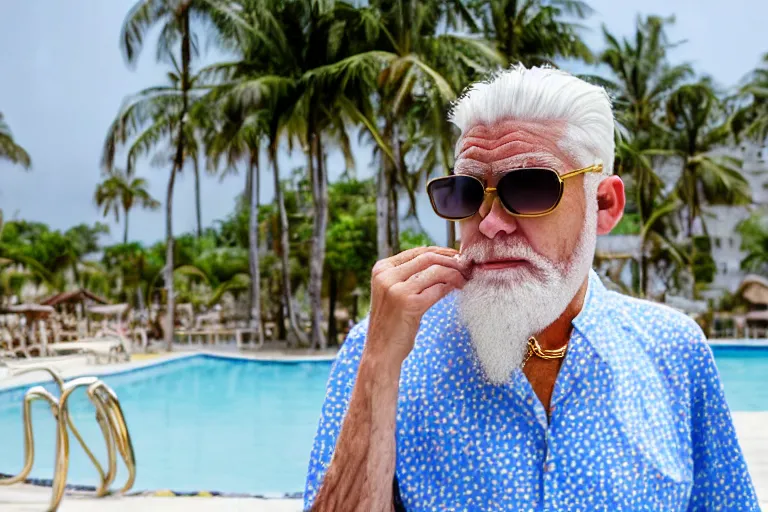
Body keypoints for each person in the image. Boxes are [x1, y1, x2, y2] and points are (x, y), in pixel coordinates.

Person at [303, 65, 760, 511]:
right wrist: (380, 365)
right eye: (466, 192)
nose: (491, 223)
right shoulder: (384, 347)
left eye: (530, 188)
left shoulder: (673, 351)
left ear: (603, 204)